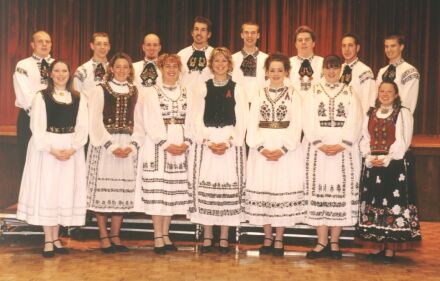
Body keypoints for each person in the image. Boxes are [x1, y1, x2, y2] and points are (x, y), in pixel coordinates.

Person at [16, 60, 88, 258]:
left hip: (70, 149)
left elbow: (83, 125)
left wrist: (73, 147)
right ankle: (48, 240)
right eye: (57, 70)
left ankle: (56, 238)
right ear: (50, 74)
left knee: (62, 192)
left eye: (64, 70)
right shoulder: (42, 97)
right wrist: (52, 149)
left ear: (69, 74)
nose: (61, 74)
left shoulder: (78, 97)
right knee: (48, 191)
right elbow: (37, 126)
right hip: (48, 149)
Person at [187, 47, 247, 254]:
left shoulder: (237, 88)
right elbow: (195, 117)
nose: (220, 65)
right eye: (216, 61)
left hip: (230, 142)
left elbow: (242, 118)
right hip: (208, 142)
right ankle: (207, 236)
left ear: (229, 64)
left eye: (224, 61)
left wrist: (230, 142)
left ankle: (223, 237)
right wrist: (207, 141)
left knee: (228, 188)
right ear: (211, 64)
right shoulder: (202, 87)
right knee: (207, 188)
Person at [302, 55, 363, 259]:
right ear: (323, 69)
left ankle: (335, 243)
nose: (331, 72)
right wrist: (319, 143)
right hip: (318, 152)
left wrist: (342, 144)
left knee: (339, 194)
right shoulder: (313, 92)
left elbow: (356, 120)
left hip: (343, 152)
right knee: (320, 195)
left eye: (335, 68)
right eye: (328, 68)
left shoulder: (349, 92)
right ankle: (321, 242)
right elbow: (307, 119)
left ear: (341, 69)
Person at [244, 53, 304, 257]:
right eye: (272, 70)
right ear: (266, 72)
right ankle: (267, 237)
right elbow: (251, 123)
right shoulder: (259, 94)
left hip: (285, 151)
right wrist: (259, 147)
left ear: (286, 72)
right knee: (265, 191)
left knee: (280, 191)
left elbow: (297, 124)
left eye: (280, 70)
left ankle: (279, 238)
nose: (276, 74)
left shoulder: (294, 95)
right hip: (262, 149)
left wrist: (284, 148)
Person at [355, 81, 421, 263]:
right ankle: (376, 245)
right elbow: (365, 137)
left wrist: (386, 158)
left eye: (389, 91)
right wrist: (368, 156)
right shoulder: (371, 113)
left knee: (392, 203)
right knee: (374, 202)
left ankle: (390, 248)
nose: (385, 94)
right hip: (373, 165)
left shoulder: (403, 113)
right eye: (382, 91)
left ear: (396, 94)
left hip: (394, 166)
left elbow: (403, 141)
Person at [132, 54, 192, 254]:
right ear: (160, 68)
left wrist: (186, 141)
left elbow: (192, 118)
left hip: (180, 143)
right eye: (167, 66)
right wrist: (165, 142)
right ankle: (157, 235)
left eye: (175, 66)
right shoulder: (150, 92)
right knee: (159, 193)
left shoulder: (186, 91)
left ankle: (166, 234)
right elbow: (150, 120)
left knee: (171, 194)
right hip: (158, 145)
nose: (171, 69)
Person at [86, 52, 139, 253]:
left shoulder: (134, 91)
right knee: (103, 191)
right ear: (111, 69)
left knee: (121, 193)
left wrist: (132, 145)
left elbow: (138, 122)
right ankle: (103, 235)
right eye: (118, 66)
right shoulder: (101, 90)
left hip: (126, 145)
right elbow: (95, 121)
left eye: (126, 67)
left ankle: (116, 235)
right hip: (105, 145)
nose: (122, 70)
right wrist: (110, 145)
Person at [13, 30, 55, 176]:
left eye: (47, 41)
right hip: (29, 116)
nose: (44, 44)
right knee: (27, 157)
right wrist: (39, 113)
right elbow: (24, 93)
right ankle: (27, 198)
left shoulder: (58, 65)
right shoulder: (23, 65)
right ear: (32, 44)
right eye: (40, 41)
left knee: (50, 158)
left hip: (53, 118)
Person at [376, 34, 420, 114]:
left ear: (401, 47)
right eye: (386, 46)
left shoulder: (410, 71)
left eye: (393, 46)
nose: (389, 50)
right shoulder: (382, 71)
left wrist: (395, 118)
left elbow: (408, 101)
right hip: (381, 117)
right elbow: (377, 97)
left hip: (399, 118)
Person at [231, 22, 268, 104]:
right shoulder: (232, 59)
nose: (249, 36)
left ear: (258, 35)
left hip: (260, 104)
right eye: (246, 32)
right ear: (242, 35)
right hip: (237, 104)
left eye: (253, 33)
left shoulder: (267, 59)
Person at [340, 33, 376, 114]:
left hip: (356, 119)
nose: (346, 49)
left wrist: (363, 125)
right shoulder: (339, 70)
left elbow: (369, 101)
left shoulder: (365, 71)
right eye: (344, 46)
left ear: (357, 48)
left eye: (350, 45)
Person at [177, 16, 214, 95]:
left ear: (209, 34)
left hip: (208, 101)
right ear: (192, 33)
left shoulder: (215, 55)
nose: (199, 33)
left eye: (203, 30)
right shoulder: (181, 55)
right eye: (196, 29)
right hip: (185, 101)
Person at [73, 32, 111, 100]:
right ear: (92, 46)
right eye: (98, 44)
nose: (102, 47)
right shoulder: (82, 70)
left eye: (105, 44)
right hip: (88, 109)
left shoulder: (114, 70)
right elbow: (76, 96)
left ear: (109, 47)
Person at [288, 26, 323, 95]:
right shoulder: (288, 63)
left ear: (313, 43)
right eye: (300, 40)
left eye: (307, 39)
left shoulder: (323, 63)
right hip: (294, 104)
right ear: (295, 45)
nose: (303, 42)